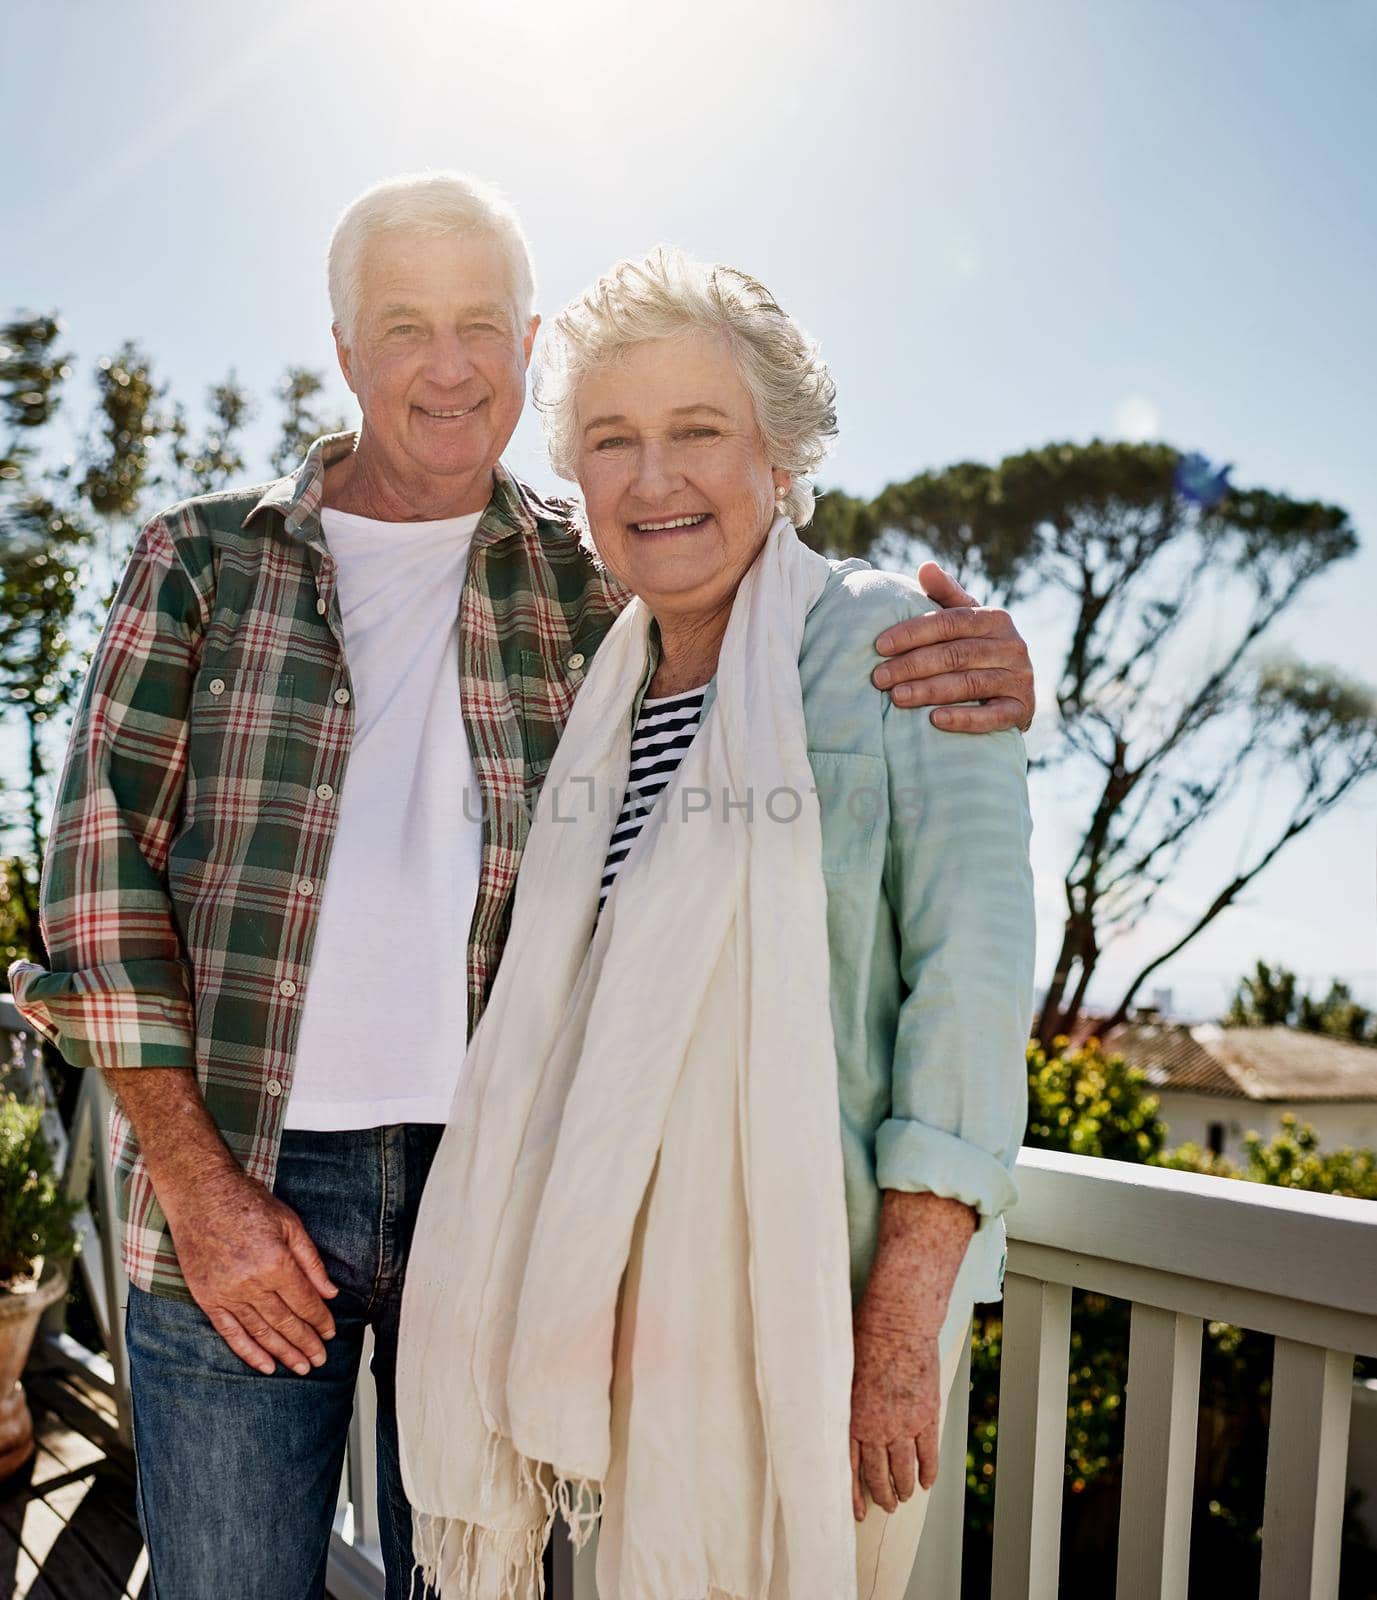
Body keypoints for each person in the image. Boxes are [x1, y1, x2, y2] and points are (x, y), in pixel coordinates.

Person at [7, 175, 1035, 1600]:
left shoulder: (591, 581)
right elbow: (97, 892)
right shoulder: (205, 561)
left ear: (527, 339)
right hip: (242, 1182)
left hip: (500, 1199)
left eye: (479, 324)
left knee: (472, 1576)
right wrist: (195, 1183)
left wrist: (991, 666)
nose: (446, 365)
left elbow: (936, 923)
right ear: (344, 347)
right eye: (403, 326)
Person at [396, 249, 1035, 1600]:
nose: (652, 477)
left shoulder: (892, 649)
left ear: (782, 456)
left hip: (809, 1324)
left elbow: (969, 994)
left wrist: (901, 1328)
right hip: (593, 1335)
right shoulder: (603, 691)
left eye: (698, 431)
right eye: (611, 440)